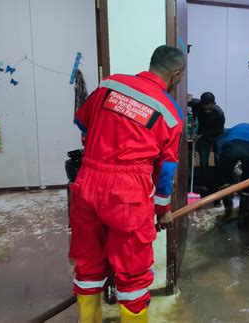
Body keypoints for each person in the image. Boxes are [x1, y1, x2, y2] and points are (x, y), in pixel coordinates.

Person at [70, 45, 185, 322]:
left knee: (88, 265)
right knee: (132, 274)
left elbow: (81, 120)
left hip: (87, 181)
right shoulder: (170, 112)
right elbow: (166, 172)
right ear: (177, 75)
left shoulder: (110, 84)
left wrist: (104, 142)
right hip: (128, 192)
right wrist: (162, 210)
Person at [216, 123, 249, 220]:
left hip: (232, 144)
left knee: (224, 178)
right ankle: (243, 214)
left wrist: (222, 165)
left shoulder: (232, 130)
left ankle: (228, 210)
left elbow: (220, 146)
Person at [188, 92, 225, 170]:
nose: (207, 111)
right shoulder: (195, 105)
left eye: (210, 109)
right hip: (203, 135)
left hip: (217, 135)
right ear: (201, 104)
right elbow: (186, 100)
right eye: (204, 109)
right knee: (203, 158)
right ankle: (204, 176)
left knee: (219, 156)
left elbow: (217, 129)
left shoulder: (219, 114)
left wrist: (201, 135)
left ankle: (219, 175)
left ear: (214, 104)